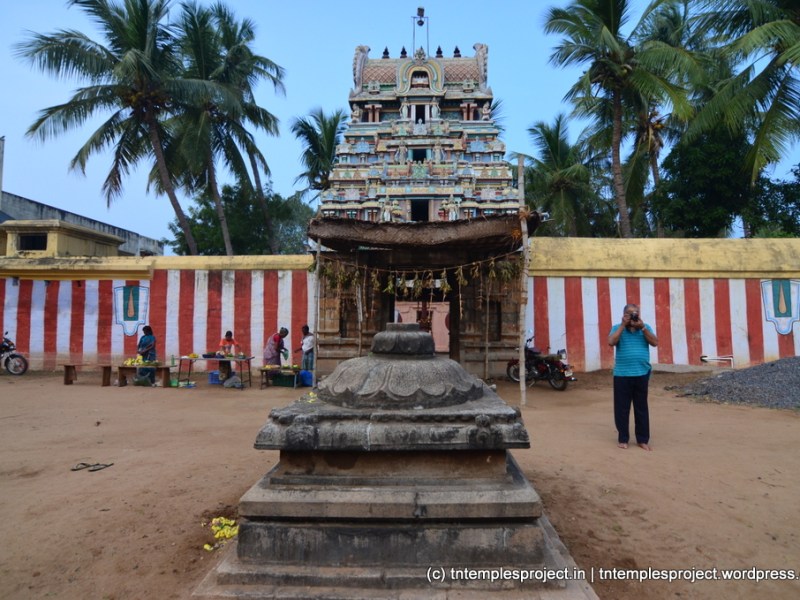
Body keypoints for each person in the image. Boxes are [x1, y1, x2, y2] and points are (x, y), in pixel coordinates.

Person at [608, 303, 659, 451]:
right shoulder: (618, 327)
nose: (633, 315)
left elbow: (655, 342)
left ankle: (642, 439)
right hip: (622, 374)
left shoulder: (645, 328)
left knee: (641, 407)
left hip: (641, 373)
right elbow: (611, 342)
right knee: (622, 408)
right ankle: (623, 438)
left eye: (636, 313)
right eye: (630, 313)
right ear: (624, 315)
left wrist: (642, 327)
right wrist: (623, 325)